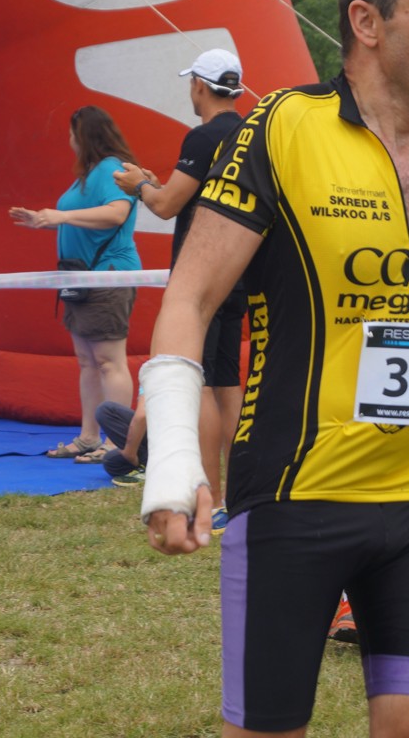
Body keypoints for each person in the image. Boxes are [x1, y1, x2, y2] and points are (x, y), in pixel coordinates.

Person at [140, 0, 409, 736]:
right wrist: (175, 461)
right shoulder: (285, 125)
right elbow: (190, 296)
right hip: (297, 493)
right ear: (367, 22)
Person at [102, 50, 247, 527]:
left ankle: (213, 497)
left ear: (200, 86)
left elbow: (166, 206)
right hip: (239, 270)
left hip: (201, 275)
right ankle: (237, 497)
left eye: (191, 85)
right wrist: (154, 185)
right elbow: (197, 197)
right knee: (227, 386)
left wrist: (137, 185)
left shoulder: (203, 136)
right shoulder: (251, 132)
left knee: (199, 384)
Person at [9, 106, 140, 462]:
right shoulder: (89, 174)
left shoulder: (111, 168)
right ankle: (88, 437)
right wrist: (43, 220)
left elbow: (116, 213)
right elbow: (80, 220)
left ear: (84, 135)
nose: (69, 140)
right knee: (87, 361)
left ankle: (117, 443)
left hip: (107, 275)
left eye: (71, 133)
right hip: (80, 277)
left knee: (109, 360)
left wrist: (63, 215)